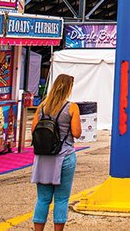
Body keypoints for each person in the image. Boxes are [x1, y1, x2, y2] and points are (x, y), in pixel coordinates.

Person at [31, 74, 81, 231]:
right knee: (61, 199)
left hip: (43, 157)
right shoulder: (71, 107)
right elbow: (77, 132)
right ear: (68, 88)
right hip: (64, 156)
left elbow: (33, 130)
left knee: (43, 199)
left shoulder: (42, 106)